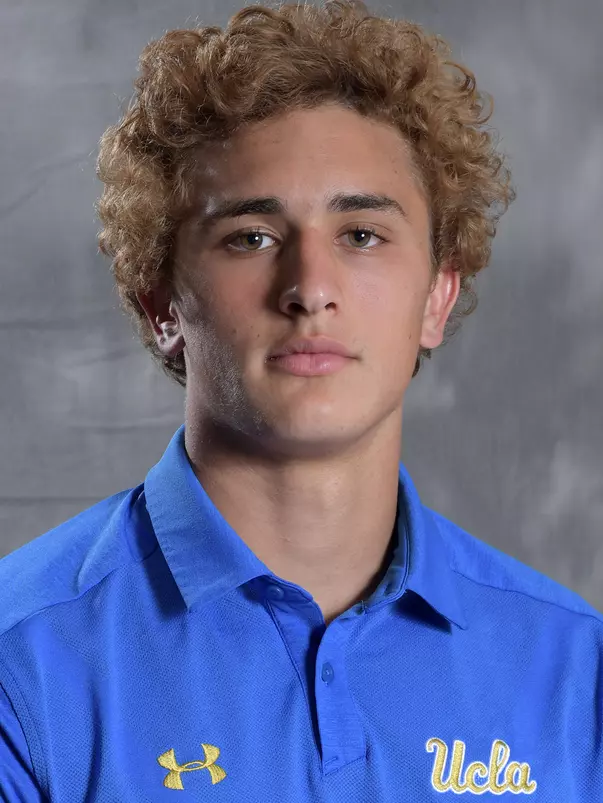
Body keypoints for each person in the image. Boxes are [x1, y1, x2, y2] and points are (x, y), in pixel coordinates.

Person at [1, 0, 601, 799]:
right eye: (250, 237)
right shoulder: (22, 663)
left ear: (437, 296)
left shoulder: (575, 669)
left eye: (361, 234)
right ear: (162, 304)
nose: (310, 288)